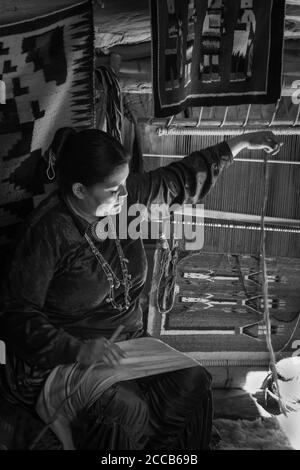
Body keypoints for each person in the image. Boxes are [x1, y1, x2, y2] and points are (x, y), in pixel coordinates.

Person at [0, 128, 282, 450]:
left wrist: (242, 142)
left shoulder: (125, 199)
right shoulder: (48, 233)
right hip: (70, 356)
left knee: (193, 381)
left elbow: (179, 181)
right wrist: (76, 348)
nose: (124, 195)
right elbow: (16, 314)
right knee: (124, 409)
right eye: (113, 189)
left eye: (125, 184)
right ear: (79, 189)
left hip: (128, 343)